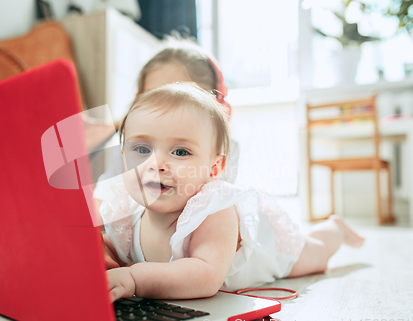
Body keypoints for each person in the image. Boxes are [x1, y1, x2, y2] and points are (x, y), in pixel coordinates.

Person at [102, 82, 365, 301]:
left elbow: (205, 276)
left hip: (272, 246)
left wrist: (135, 277)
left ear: (214, 169)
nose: (155, 164)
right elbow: (111, 248)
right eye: (142, 149)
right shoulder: (127, 215)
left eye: (180, 152)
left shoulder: (213, 211)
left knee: (315, 255)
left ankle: (335, 230)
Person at [94, 36, 239, 269]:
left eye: (181, 151)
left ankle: (322, 231)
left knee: (309, 252)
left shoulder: (217, 198)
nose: (167, 113)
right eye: (156, 98)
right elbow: (100, 208)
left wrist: (136, 278)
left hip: (244, 240)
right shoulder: (132, 155)